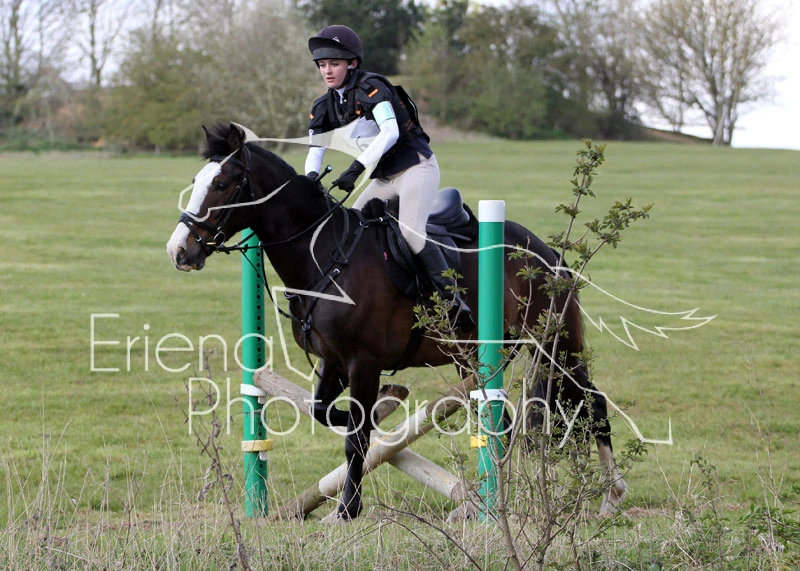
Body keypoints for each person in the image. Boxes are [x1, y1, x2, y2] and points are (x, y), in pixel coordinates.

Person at [304, 24, 474, 331]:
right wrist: (311, 178)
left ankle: (452, 299)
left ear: (352, 63)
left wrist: (356, 168)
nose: (327, 71)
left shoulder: (372, 88)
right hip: (384, 178)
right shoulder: (324, 105)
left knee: (410, 232)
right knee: (351, 229)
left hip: (415, 168)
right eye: (323, 65)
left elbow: (391, 132)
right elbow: (315, 149)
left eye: (334, 64)